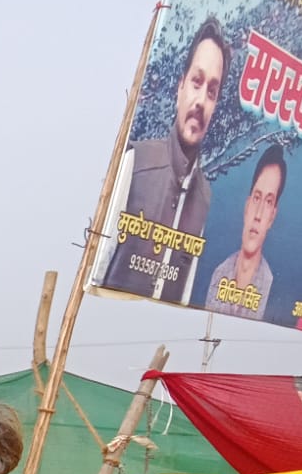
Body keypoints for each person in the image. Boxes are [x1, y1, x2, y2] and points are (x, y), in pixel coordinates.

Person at [101, 17, 228, 301]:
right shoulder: (136, 161)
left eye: (211, 92)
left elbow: (185, 292)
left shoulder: (205, 198)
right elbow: (99, 264)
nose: (200, 101)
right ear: (180, 87)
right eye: (196, 82)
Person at [203, 144, 285, 322]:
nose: (258, 215)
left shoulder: (271, 285)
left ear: (272, 217)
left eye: (269, 202)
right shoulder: (219, 273)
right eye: (257, 198)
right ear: (247, 206)